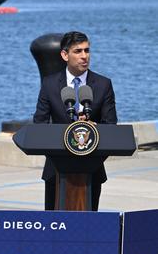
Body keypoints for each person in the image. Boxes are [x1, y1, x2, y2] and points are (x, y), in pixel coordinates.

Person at [33, 31, 117, 211]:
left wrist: (96, 131)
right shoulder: (49, 84)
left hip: (92, 170)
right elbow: (39, 126)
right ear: (64, 55)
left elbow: (111, 127)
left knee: (88, 229)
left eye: (87, 51)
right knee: (55, 227)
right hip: (56, 170)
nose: (84, 56)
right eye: (78, 51)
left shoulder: (103, 85)